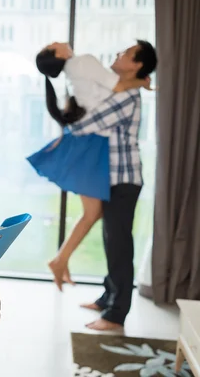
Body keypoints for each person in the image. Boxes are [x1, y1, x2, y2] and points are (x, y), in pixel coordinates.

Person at [36, 41, 157, 331]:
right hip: (112, 177)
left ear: (137, 65)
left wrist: (69, 127)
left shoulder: (128, 96)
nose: (118, 53)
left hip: (123, 178)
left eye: (126, 54)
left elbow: (87, 124)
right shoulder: (121, 90)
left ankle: (116, 315)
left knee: (119, 245)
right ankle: (107, 297)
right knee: (110, 240)